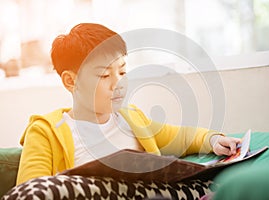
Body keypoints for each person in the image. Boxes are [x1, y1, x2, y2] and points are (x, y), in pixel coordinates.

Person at [8, 23, 241, 199]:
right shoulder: (46, 131)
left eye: (122, 72)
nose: (117, 83)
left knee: (221, 182)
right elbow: (30, 190)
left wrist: (213, 140)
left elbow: (181, 137)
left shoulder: (133, 119)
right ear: (70, 81)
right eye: (104, 75)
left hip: (149, 194)